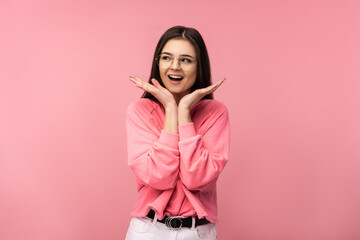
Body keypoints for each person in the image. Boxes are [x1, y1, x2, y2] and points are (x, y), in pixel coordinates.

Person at [125, 25, 230, 240]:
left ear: (199, 67)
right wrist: (171, 109)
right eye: (166, 58)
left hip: (198, 232)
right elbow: (158, 177)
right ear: (158, 62)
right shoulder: (140, 111)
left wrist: (184, 112)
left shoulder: (216, 113)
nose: (175, 67)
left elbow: (197, 179)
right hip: (148, 230)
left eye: (186, 60)